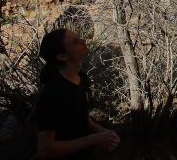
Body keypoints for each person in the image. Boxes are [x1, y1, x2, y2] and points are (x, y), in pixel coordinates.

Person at [36, 28, 120, 159]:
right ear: (62, 56)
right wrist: (94, 139)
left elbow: (80, 117)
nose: (83, 41)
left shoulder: (81, 79)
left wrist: (104, 133)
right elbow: (45, 149)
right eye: (75, 42)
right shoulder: (53, 93)